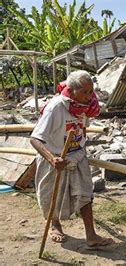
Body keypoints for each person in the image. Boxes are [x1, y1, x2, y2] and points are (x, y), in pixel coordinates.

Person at [30, 70, 113, 248]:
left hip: (76, 154)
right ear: (72, 90)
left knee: (85, 194)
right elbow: (34, 139)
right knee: (52, 195)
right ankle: (55, 224)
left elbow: (82, 127)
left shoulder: (86, 105)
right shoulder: (56, 107)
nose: (90, 96)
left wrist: (81, 144)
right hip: (53, 155)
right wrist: (52, 159)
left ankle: (91, 236)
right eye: (85, 92)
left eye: (91, 91)